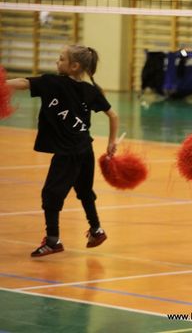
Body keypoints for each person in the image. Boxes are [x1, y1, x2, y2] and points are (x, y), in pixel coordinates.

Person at [6, 45, 119, 257]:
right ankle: (96, 229)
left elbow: (22, 83)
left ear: (74, 66)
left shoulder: (52, 82)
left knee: (51, 194)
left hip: (67, 153)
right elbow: (113, 115)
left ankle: (53, 240)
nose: (57, 62)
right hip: (85, 149)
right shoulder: (91, 90)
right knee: (85, 192)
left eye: (61, 59)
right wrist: (112, 142)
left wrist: (3, 84)